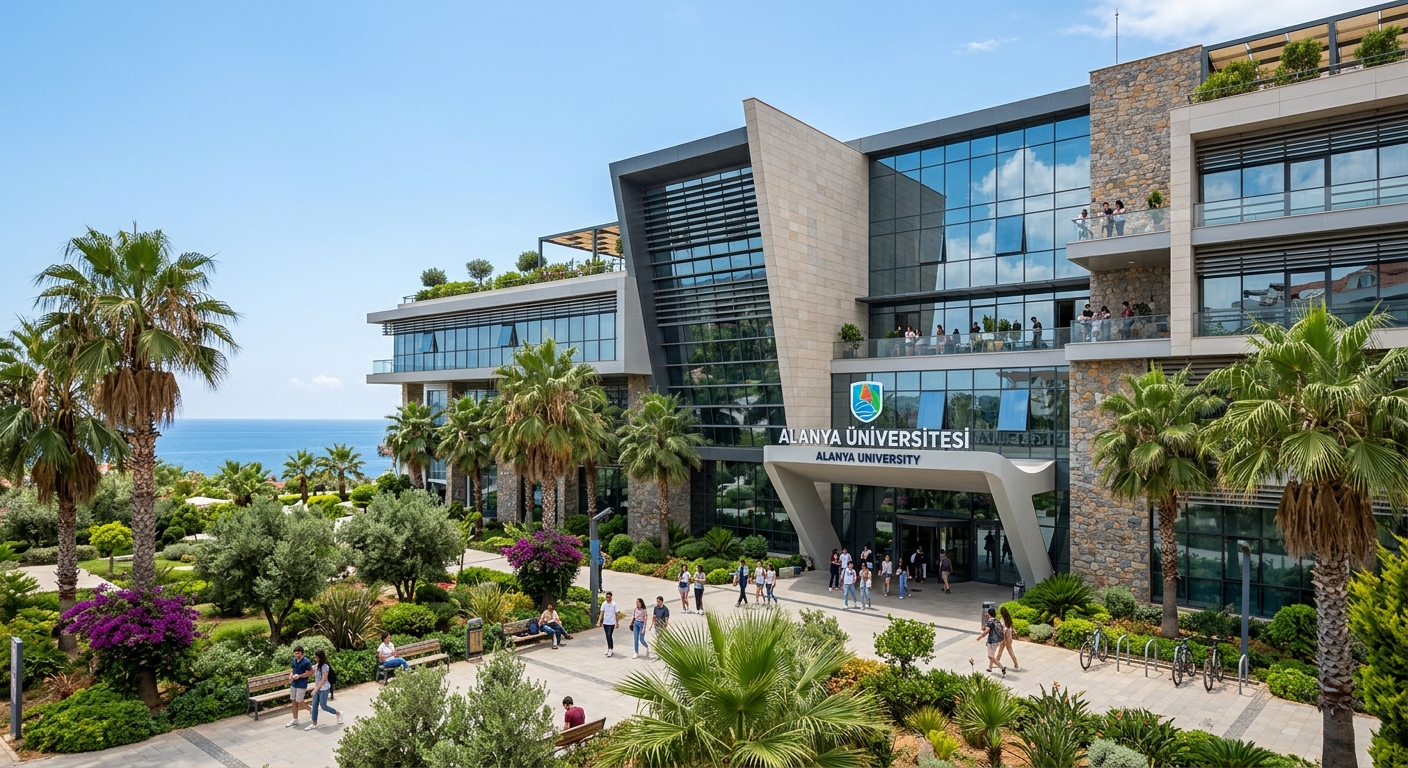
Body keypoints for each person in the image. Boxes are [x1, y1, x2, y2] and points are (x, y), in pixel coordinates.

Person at [305, 648, 343, 730]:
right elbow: (310, 670)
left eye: (316, 657)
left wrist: (316, 689)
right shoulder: (316, 665)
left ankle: (338, 713)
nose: (315, 658)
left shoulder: (325, 667)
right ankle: (314, 723)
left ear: (319, 657)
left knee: (323, 706)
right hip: (317, 688)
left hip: (324, 688)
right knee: (314, 705)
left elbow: (323, 680)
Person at [286, 645, 313, 728]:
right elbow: (293, 669)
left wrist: (300, 676)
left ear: (302, 653)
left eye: (298, 653)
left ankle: (311, 709)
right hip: (294, 684)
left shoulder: (306, 661)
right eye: (295, 653)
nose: (297, 655)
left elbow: (310, 672)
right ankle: (295, 719)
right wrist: (291, 675)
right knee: (293, 701)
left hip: (302, 684)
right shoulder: (294, 660)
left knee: (300, 702)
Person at [976, 607, 1007, 676]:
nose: (986, 614)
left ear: (989, 614)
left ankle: (1002, 668)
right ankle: (990, 668)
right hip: (998, 640)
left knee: (990, 656)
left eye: (987, 613)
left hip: (992, 641)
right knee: (992, 654)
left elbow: (986, 631)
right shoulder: (997, 620)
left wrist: (980, 637)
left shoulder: (990, 621)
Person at [998, 606, 1020, 671]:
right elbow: (1011, 628)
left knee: (1001, 650)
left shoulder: (1002, 620)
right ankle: (1016, 665)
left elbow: (1004, 631)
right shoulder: (1008, 619)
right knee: (1010, 651)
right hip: (1009, 638)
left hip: (1004, 638)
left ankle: (996, 662)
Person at [598, 591, 619, 657]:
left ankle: (611, 649)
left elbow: (617, 613)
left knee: (609, 635)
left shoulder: (614, 604)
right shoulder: (604, 604)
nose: (608, 598)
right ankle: (609, 648)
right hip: (605, 622)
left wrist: (617, 622)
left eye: (609, 597)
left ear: (611, 597)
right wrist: (599, 621)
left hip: (612, 622)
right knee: (607, 636)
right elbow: (601, 613)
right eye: (607, 597)